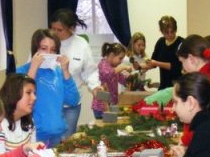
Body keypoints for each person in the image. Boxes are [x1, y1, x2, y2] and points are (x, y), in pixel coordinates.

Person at [17, 29, 80, 146]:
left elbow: (73, 100)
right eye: (44, 48)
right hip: (32, 136)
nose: (49, 53)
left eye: (53, 50)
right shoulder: (22, 71)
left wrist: (65, 71)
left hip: (57, 135)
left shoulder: (58, 72)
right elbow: (19, 99)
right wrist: (33, 68)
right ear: (35, 49)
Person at [49, 8, 102, 138]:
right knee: (49, 140)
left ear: (71, 28)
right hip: (48, 103)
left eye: (59, 30)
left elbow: (90, 71)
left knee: (67, 139)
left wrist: (95, 86)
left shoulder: (81, 44)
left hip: (71, 105)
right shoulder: (45, 43)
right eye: (52, 28)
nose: (55, 33)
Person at [176, 34, 210, 146]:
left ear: (191, 59)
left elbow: (204, 122)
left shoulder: (205, 81)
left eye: (182, 62)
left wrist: (184, 141)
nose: (182, 68)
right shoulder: (207, 75)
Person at [0, 73, 37, 154]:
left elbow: (33, 153)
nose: (34, 98)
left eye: (34, 93)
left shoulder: (29, 122)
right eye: (28, 93)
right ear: (13, 94)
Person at [91, 42, 132, 119]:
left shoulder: (114, 67)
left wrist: (128, 79)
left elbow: (121, 78)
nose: (121, 61)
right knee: (105, 125)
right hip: (101, 106)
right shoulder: (103, 64)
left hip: (112, 104)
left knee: (113, 123)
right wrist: (122, 67)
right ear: (112, 55)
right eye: (120, 58)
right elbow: (108, 74)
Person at [143, 15, 184, 90]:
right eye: (166, 32)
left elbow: (176, 67)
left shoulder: (181, 43)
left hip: (177, 86)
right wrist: (142, 66)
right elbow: (153, 62)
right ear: (161, 31)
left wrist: (156, 63)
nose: (170, 35)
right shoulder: (160, 42)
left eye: (172, 32)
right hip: (163, 85)